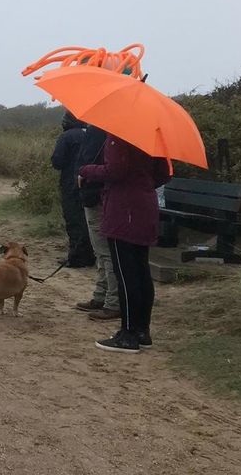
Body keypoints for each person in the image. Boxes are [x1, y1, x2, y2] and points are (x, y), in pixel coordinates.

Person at [78, 135, 171, 353]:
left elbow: (115, 170)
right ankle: (142, 331)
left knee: (126, 273)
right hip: (145, 206)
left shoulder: (119, 136)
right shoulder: (154, 138)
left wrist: (86, 170)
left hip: (123, 211)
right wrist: (142, 183)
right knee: (140, 271)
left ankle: (128, 334)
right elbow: (164, 174)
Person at [75, 124, 121, 320]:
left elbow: (107, 167)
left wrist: (84, 172)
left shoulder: (100, 130)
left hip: (96, 196)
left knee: (105, 252)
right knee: (101, 252)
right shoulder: (112, 130)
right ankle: (101, 296)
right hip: (100, 196)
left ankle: (112, 302)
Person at [51, 111, 95, 268]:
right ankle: (90, 255)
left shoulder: (67, 136)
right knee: (87, 221)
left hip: (70, 184)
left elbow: (57, 161)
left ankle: (76, 257)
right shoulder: (90, 134)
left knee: (73, 220)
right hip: (89, 184)